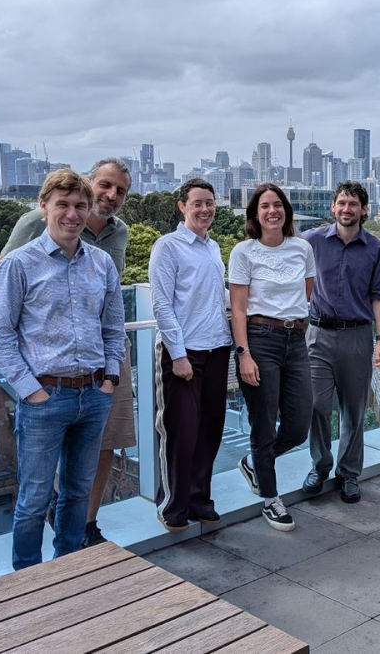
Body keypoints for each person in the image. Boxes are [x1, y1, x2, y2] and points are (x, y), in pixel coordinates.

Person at [0, 158, 132, 547]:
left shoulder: (103, 259)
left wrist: (109, 379)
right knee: (34, 498)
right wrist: (31, 391)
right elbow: (1, 337)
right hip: (45, 395)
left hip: (93, 393)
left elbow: (113, 326)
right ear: (44, 207)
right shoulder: (21, 263)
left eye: (79, 207)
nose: (72, 215)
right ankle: (28, 582)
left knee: (77, 492)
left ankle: (69, 571)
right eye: (63, 206)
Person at [230, 184, 316, 531]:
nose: (272, 211)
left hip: (295, 339)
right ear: (255, 214)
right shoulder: (243, 252)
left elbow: (305, 293)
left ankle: (254, 461)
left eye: (277, 205)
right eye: (264, 206)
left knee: (298, 425)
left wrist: (291, 323)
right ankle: (270, 498)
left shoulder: (302, 248)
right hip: (259, 339)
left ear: (286, 211)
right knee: (263, 422)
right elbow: (237, 308)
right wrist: (243, 354)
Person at [301, 180, 380, 503]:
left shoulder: (377, 250)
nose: (346, 209)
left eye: (353, 204)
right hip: (317, 334)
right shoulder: (310, 241)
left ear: (364, 210)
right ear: (333, 207)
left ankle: (349, 473)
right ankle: (320, 463)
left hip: (357, 335)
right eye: (341, 202)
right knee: (316, 404)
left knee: (353, 410)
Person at [150, 178, 233, 532]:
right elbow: (161, 304)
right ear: (182, 206)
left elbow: (219, 297)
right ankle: (173, 507)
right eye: (197, 203)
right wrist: (178, 354)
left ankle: (200, 500)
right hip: (183, 354)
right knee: (180, 432)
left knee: (210, 430)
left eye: (210, 203)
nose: (205, 209)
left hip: (217, 348)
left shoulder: (213, 248)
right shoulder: (168, 247)